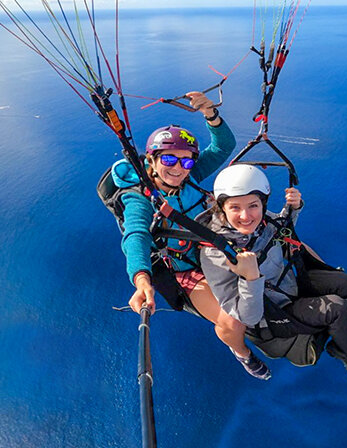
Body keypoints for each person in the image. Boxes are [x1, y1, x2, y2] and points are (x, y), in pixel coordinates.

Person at [111, 91, 272, 380]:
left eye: (186, 162)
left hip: (216, 248)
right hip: (187, 269)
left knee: (279, 236)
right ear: (152, 159)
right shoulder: (139, 200)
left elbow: (223, 147)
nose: (178, 169)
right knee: (234, 323)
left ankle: (330, 277)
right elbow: (136, 235)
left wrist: (211, 114)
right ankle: (242, 354)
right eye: (169, 160)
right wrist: (141, 279)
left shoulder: (189, 178)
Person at [200, 164, 347, 381]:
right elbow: (248, 316)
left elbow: (280, 230)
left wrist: (293, 209)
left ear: (262, 203)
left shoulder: (261, 219)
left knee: (346, 283)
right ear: (222, 207)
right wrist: (250, 278)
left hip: (287, 285)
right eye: (235, 208)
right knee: (337, 307)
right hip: (273, 310)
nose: (246, 215)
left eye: (253, 205)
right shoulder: (216, 253)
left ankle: (345, 343)